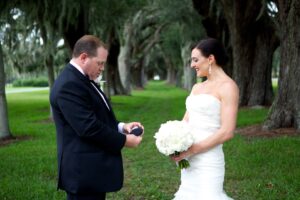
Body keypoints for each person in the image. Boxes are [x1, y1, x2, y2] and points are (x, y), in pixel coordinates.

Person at [50, 35, 143, 200]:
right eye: (100, 63)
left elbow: (97, 115)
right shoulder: (69, 84)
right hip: (82, 171)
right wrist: (125, 140)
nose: (102, 68)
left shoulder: (82, 79)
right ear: (84, 57)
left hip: (92, 170)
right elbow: (88, 127)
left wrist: (122, 127)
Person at [171, 38, 239, 199]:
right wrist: (173, 142)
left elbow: (227, 131)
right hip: (189, 160)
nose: (192, 65)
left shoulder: (228, 87)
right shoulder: (197, 87)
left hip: (209, 161)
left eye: (195, 60)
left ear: (210, 59)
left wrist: (193, 149)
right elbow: (185, 122)